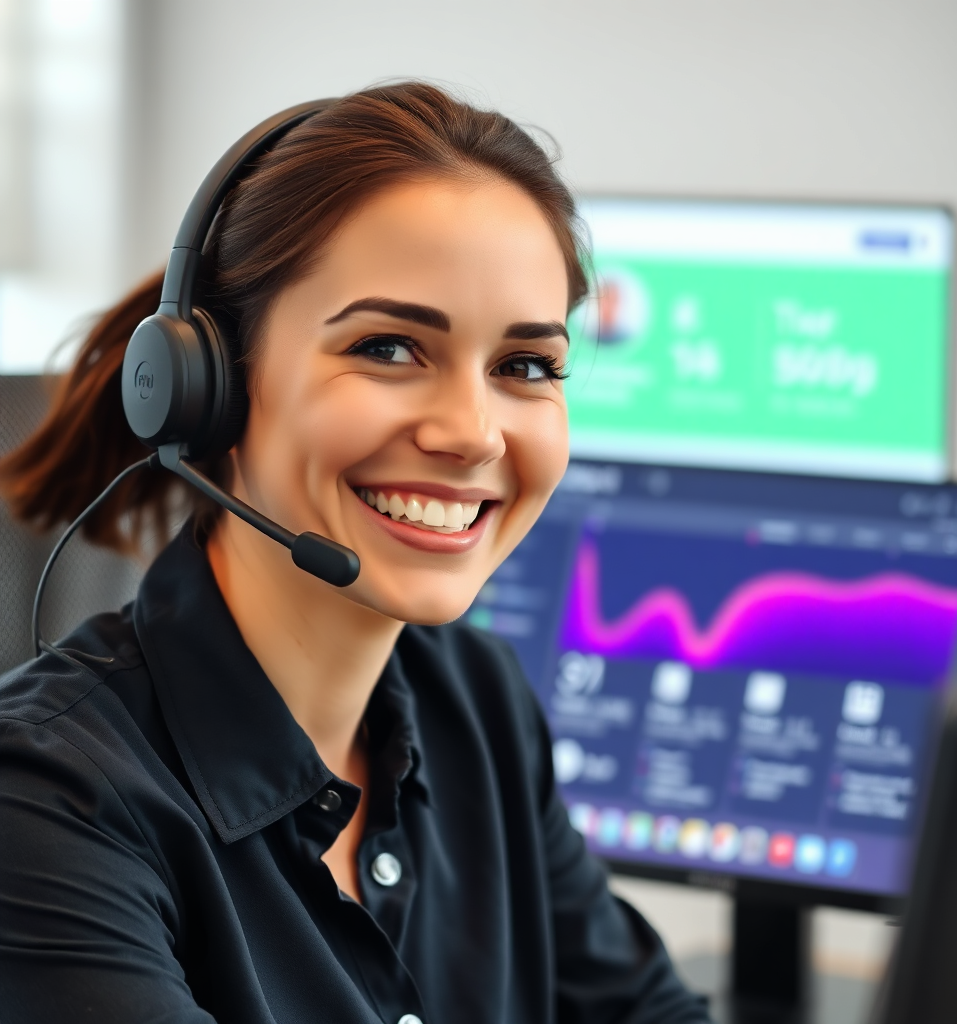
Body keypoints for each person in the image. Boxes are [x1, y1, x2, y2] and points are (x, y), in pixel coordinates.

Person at [0, 82, 711, 1024]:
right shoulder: (48, 802)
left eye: (525, 366)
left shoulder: (476, 701)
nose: (473, 433)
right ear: (212, 388)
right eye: (388, 348)